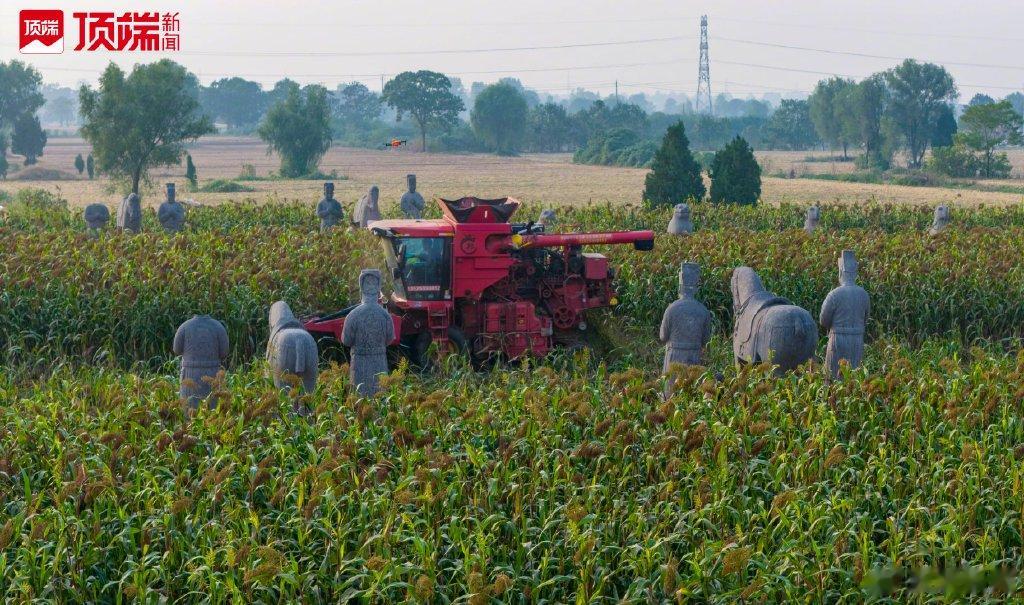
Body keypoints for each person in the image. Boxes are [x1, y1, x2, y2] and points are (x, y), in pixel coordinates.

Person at [659, 262, 712, 398]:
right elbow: (706, 340)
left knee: (670, 396)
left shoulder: (671, 309)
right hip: (694, 358)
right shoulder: (703, 310)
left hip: (674, 358)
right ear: (696, 288)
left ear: (680, 287)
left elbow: (663, 336)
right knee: (690, 395)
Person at [342, 270, 395, 396]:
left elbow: (346, 340)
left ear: (361, 287)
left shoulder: (353, 315)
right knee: (380, 398)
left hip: (359, 365)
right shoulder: (385, 315)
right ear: (378, 288)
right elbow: (390, 339)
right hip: (380, 363)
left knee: (360, 399)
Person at [820, 250, 870, 379]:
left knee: (833, 377)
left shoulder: (834, 294)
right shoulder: (864, 294)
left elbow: (823, 320)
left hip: (838, 340)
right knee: (854, 377)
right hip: (857, 340)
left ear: (841, 272)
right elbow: (865, 318)